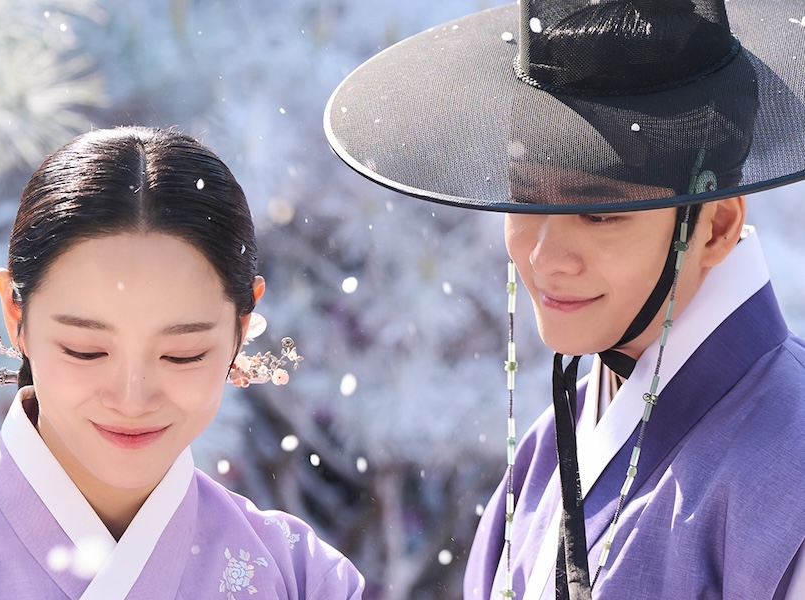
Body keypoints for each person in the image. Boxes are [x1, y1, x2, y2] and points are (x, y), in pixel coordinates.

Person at [323, 0, 805, 598]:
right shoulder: (547, 451)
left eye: (599, 212)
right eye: (526, 200)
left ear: (715, 227)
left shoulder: (791, 463)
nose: (544, 256)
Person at [0, 126, 365, 599]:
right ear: (15, 313)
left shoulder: (301, 578)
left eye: (182, 354)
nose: (132, 399)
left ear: (240, 327)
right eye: (86, 350)